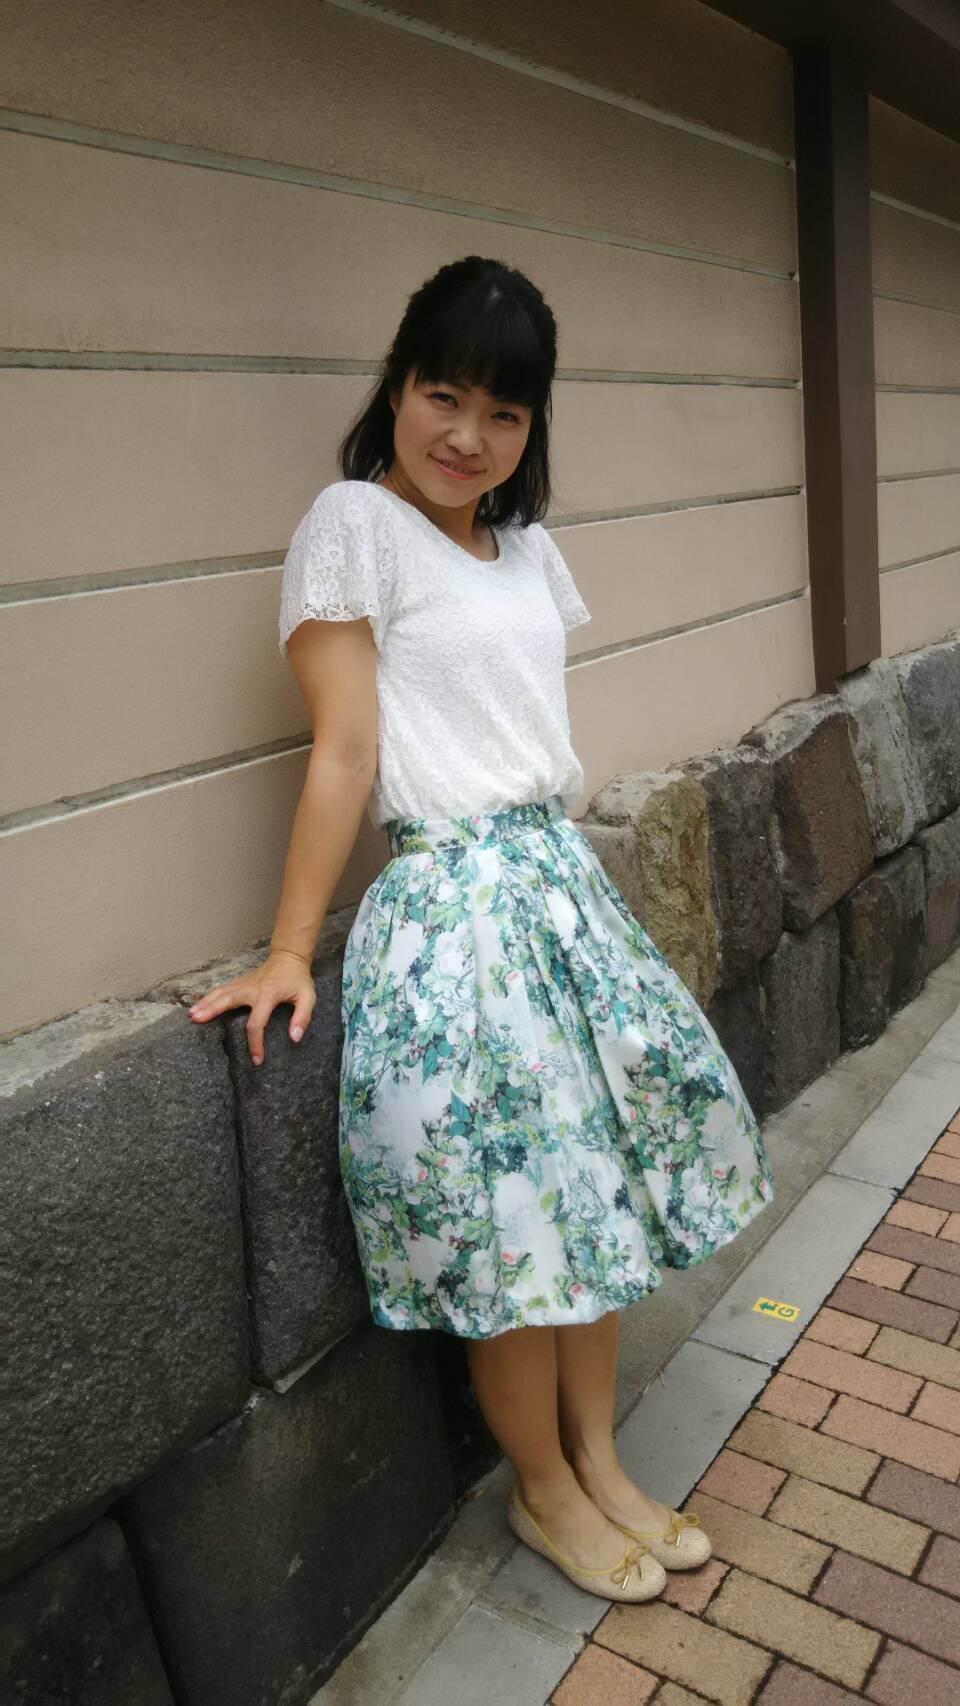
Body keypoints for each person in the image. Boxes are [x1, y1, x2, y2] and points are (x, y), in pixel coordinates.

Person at [188, 255, 774, 1604]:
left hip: (559, 894)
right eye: (443, 395)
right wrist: (290, 949)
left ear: (532, 426)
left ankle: (601, 1461)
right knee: (516, 1217)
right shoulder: (353, 524)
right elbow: (345, 752)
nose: (467, 435)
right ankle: (544, 1489)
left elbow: (524, 726)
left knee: (600, 1191)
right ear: (398, 386)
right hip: (452, 915)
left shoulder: (531, 551)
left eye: (503, 412)